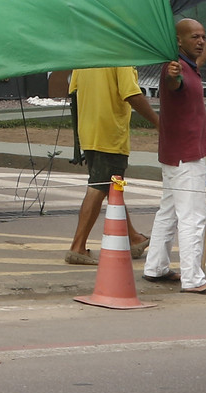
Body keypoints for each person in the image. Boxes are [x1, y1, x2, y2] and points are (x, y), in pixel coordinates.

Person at [144, 17, 206, 296]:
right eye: (195, 37)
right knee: (192, 216)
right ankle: (193, 279)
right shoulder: (175, 69)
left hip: (175, 153)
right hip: (186, 155)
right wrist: (173, 74)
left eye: (203, 36)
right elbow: (173, 81)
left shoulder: (190, 64)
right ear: (178, 41)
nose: (201, 41)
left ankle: (155, 266)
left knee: (168, 212)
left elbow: (196, 64)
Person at [64, 66, 155, 265]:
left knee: (111, 188)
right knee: (99, 187)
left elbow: (74, 91)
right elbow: (132, 93)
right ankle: (77, 247)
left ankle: (133, 238)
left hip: (88, 131)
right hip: (110, 133)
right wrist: (159, 122)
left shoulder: (87, 56)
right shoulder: (120, 56)